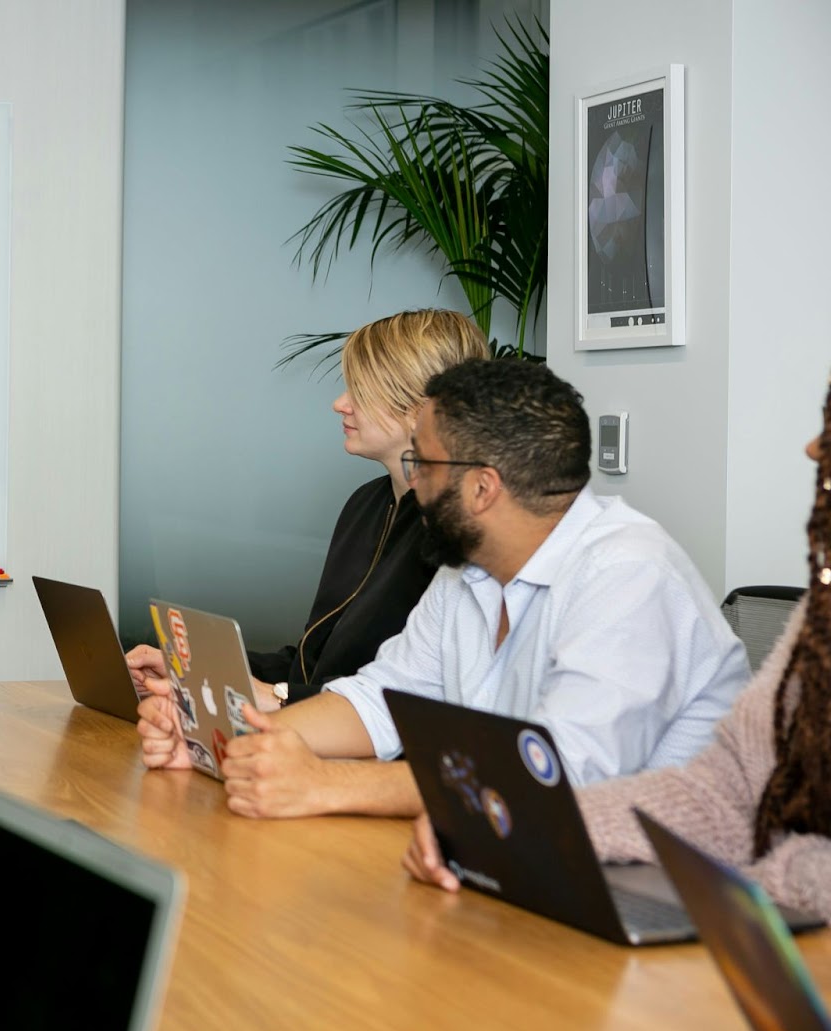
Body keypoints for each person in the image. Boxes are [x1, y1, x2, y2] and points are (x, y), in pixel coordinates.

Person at [138, 359, 750, 819]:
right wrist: (223, 740)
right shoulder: (471, 570)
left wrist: (327, 785)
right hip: (530, 861)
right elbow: (382, 700)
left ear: (483, 488)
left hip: (667, 898)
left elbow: (556, 775)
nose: (415, 485)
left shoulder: (630, 575)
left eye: (423, 466)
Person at [405, 384, 831, 920]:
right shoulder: (820, 617)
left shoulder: (629, 567)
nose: (813, 448)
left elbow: (569, 765)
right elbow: (726, 792)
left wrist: (771, 885)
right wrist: (504, 819)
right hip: (721, 908)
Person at [126, 308, 489, 708]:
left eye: (360, 390)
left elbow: (407, 702)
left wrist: (275, 698)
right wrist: (189, 668)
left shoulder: (457, 531)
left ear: (419, 405)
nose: (340, 404)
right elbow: (308, 664)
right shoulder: (366, 505)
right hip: (317, 727)